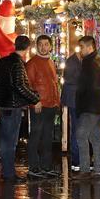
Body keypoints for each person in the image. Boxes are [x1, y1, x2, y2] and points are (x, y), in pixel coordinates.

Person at [0, 35, 39, 183]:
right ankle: (9, 173)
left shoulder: (3, 61)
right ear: (27, 48)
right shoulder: (18, 64)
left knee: (6, 140)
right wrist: (35, 99)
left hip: (3, 105)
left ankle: (7, 171)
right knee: (10, 141)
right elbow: (20, 86)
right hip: (13, 106)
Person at [25, 35, 60, 179]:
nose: (43, 47)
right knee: (36, 135)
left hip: (51, 104)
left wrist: (57, 101)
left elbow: (54, 83)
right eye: (41, 44)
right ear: (36, 46)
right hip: (39, 105)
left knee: (47, 136)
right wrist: (35, 101)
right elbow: (28, 84)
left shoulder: (51, 62)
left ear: (50, 46)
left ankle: (46, 166)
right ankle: (33, 166)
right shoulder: (32, 63)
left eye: (46, 44)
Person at [74, 36, 100, 178]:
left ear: (89, 47)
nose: (80, 50)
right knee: (95, 137)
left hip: (90, 106)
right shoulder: (94, 61)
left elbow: (90, 85)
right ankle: (99, 169)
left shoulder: (90, 63)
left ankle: (85, 169)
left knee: (81, 135)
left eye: (81, 47)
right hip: (95, 105)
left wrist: (81, 98)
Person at [60, 50, 82, 171]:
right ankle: (77, 160)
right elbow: (69, 79)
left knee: (77, 129)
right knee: (77, 129)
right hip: (75, 100)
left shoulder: (74, 61)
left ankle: (77, 160)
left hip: (75, 100)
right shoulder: (73, 62)